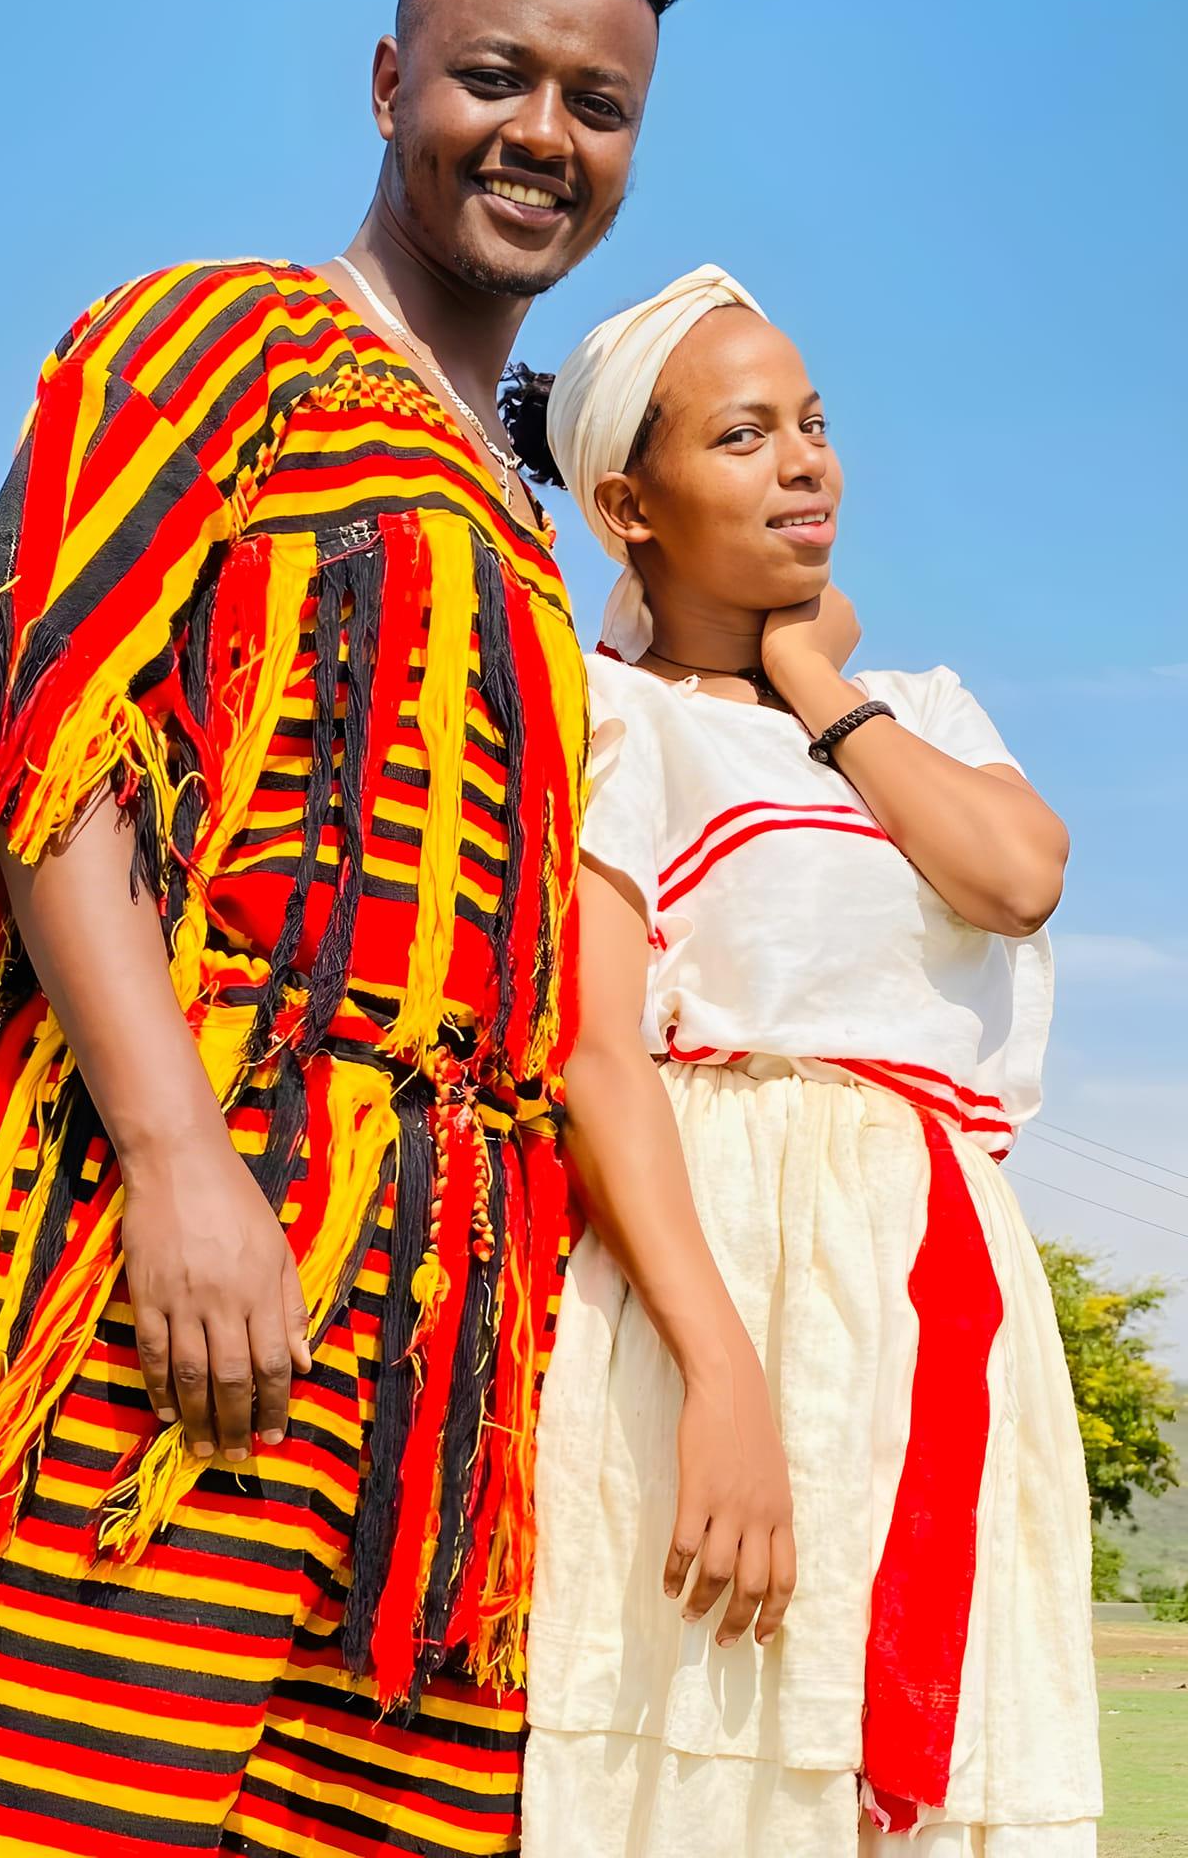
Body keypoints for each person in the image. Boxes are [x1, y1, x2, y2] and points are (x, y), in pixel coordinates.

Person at [0, 0, 697, 1857]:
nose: (542, 134)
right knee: (40, 1803)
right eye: (491, 77)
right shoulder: (215, 339)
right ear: (387, 81)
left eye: (596, 103)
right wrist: (178, 1162)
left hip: (445, 1353)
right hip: (183, 1244)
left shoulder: (517, 513)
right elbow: (45, 755)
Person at [509, 268, 1102, 1855]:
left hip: (938, 1288)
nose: (805, 464)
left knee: (932, 1750)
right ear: (628, 507)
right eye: (746, 435)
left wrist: (811, 680)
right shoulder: (614, 722)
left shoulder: (914, 705)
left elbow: (1020, 876)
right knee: (713, 1738)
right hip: (722, 1273)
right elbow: (599, 1061)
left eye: (815, 425)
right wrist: (723, 1379)